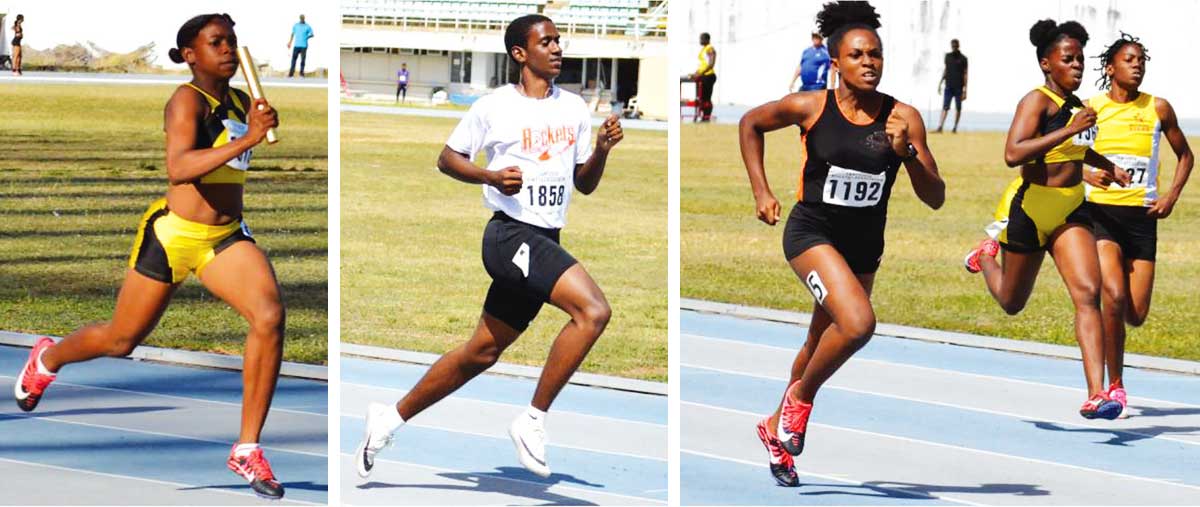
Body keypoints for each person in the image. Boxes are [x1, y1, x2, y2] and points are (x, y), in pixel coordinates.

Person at [12, 13, 286, 499]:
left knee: (269, 316)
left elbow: (228, 164)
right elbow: (180, 168)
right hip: (173, 234)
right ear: (188, 55)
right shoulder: (185, 100)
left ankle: (246, 448)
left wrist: (256, 126)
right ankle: (47, 358)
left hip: (224, 238)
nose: (228, 49)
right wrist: (247, 138)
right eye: (215, 42)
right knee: (121, 341)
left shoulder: (244, 100)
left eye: (232, 41)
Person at [353, 14, 624, 480]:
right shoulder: (494, 106)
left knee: (481, 351)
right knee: (593, 311)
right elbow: (447, 158)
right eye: (547, 42)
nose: (558, 48)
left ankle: (389, 418)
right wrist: (491, 176)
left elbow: (585, 184)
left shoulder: (576, 109)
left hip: (546, 238)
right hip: (509, 235)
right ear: (520, 53)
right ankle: (532, 420)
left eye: (559, 40)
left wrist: (601, 149)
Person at [740, 1, 945, 487]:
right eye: (857, 55)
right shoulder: (811, 106)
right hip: (811, 234)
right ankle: (799, 403)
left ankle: (774, 431)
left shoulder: (903, 118)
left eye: (875, 54)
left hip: (863, 247)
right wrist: (761, 190)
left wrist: (907, 153)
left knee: (817, 342)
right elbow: (750, 123)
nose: (869, 62)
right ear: (835, 62)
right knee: (857, 324)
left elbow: (935, 197)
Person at [962, 19, 1131, 421]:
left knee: (1088, 293)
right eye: (1067, 59)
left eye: (1080, 60)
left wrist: (1107, 164)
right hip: (1032, 210)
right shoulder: (1035, 102)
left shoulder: (1077, 108)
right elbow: (1013, 153)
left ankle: (1096, 394)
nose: (1077, 66)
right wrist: (1070, 129)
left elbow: (1078, 148)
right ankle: (986, 255)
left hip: (1071, 209)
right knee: (1011, 302)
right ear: (1046, 63)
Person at [1083, 33, 1193, 418]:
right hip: (1102, 216)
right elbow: (1063, 154)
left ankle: (1113, 359)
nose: (1137, 65)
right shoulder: (1091, 108)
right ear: (1111, 68)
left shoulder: (1158, 108)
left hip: (1143, 221)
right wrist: (1085, 172)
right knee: (1111, 295)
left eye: (1142, 60)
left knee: (1135, 312)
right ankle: (1115, 386)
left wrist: (1171, 197)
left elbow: (1186, 156)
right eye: (1129, 59)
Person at [936, 39, 968, 133]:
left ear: (958, 46)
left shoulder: (963, 59)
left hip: (959, 87)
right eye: (952, 46)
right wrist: (940, 83)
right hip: (948, 86)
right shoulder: (948, 56)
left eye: (955, 46)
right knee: (945, 107)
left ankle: (955, 127)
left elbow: (965, 74)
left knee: (958, 108)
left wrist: (965, 90)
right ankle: (940, 126)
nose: (954, 47)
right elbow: (945, 70)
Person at [692, 32, 716, 121]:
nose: (700, 40)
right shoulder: (703, 49)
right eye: (700, 38)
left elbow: (711, 64)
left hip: (708, 76)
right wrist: (696, 73)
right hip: (702, 75)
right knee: (701, 97)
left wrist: (701, 73)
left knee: (706, 97)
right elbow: (703, 64)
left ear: (707, 39)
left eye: (702, 38)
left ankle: (707, 116)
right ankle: (701, 114)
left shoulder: (710, 49)